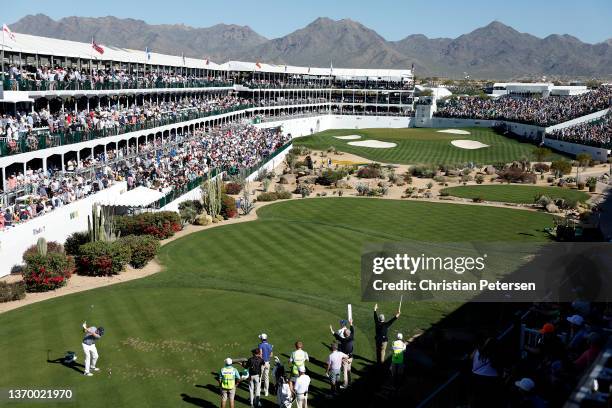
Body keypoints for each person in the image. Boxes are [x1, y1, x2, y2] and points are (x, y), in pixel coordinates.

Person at [330, 319, 354, 389]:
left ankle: (345, 384)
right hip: (351, 356)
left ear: (344, 334)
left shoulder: (343, 340)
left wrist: (331, 330)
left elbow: (337, 336)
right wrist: (351, 324)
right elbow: (352, 331)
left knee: (345, 371)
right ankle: (350, 381)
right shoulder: (352, 337)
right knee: (349, 369)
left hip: (345, 357)